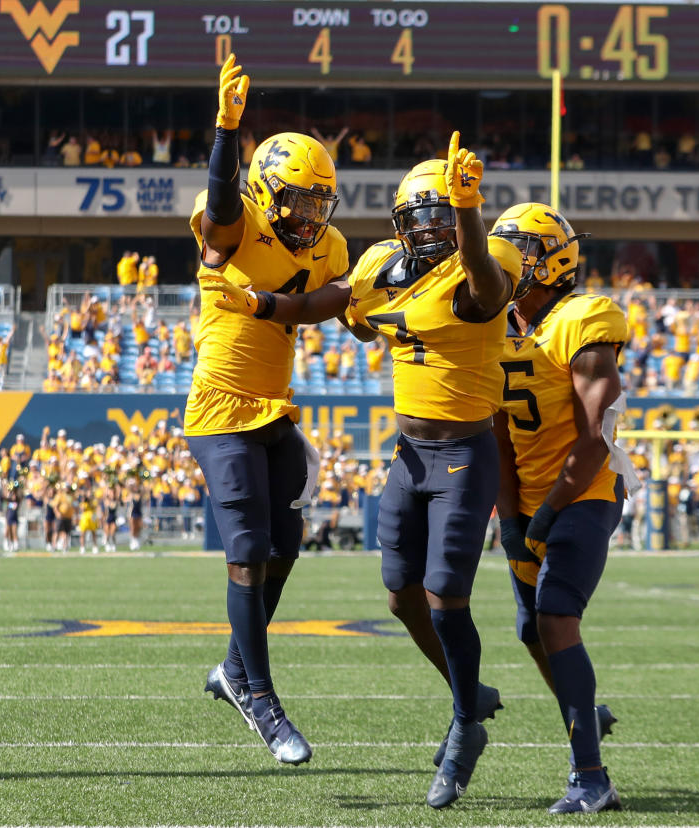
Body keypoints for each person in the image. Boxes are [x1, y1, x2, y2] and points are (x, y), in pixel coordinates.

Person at [201, 131, 520, 807]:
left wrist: (468, 212)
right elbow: (323, 304)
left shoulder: (483, 262)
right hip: (410, 454)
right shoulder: (379, 265)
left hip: (465, 452)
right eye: (424, 215)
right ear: (402, 225)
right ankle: (469, 690)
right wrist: (262, 305)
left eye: (444, 215)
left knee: (443, 593)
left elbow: (485, 294)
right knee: (400, 594)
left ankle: (465, 724)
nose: (433, 227)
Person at [187, 55, 348, 768]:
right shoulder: (238, 221)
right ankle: (261, 698)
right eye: (299, 202)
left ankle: (231, 668)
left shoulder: (332, 247)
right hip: (220, 408)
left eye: (320, 203)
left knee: (287, 545)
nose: (311, 216)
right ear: (266, 191)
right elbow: (221, 201)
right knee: (248, 549)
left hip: (274, 409)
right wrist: (227, 128)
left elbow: (324, 303)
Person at [489, 203, 634, 813]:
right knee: (530, 630)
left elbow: (595, 437)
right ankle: (585, 711)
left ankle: (592, 778)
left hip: (586, 491)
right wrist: (512, 513)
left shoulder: (585, 318)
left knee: (554, 620)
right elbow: (496, 432)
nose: (493, 264)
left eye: (510, 252)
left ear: (550, 262)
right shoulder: (492, 324)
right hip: (526, 495)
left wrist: (546, 512)